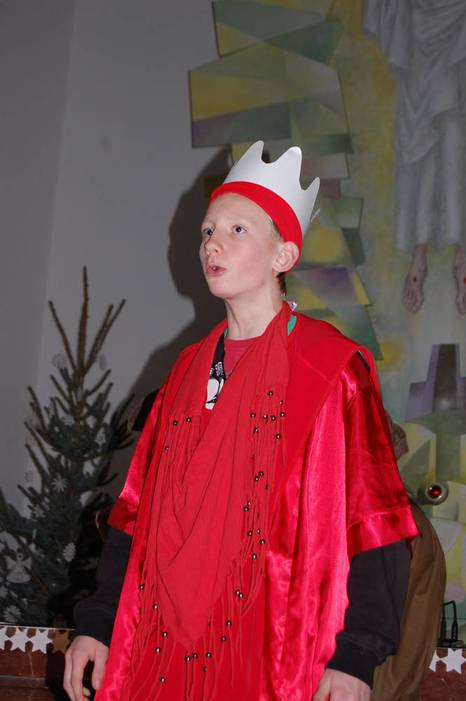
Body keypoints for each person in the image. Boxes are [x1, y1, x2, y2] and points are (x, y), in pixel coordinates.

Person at [64, 141, 418, 701]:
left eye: (237, 230)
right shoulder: (185, 372)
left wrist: (357, 654)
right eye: (208, 230)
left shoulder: (331, 368)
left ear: (283, 256)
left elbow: (375, 518)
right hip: (160, 647)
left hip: (274, 653)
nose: (212, 243)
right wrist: (100, 624)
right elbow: (136, 511)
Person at [363, 0, 466, 314]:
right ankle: (425, 255)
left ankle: (456, 255)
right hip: (423, 33)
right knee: (430, 149)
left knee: (453, 145)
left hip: (451, 30)